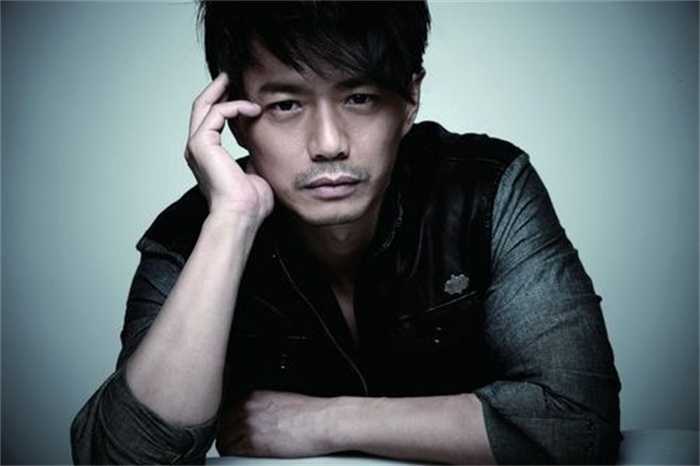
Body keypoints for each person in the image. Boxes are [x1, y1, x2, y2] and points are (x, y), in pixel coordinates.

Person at [71, 2, 622, 464]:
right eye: (286, 104)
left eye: (359, 98)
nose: (329, 143)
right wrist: (231, 222)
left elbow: (577, 425)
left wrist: (325, 421)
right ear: (234, 116)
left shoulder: (486, 188)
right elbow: (121, 459)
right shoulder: (193, 234)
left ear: (409, 99)